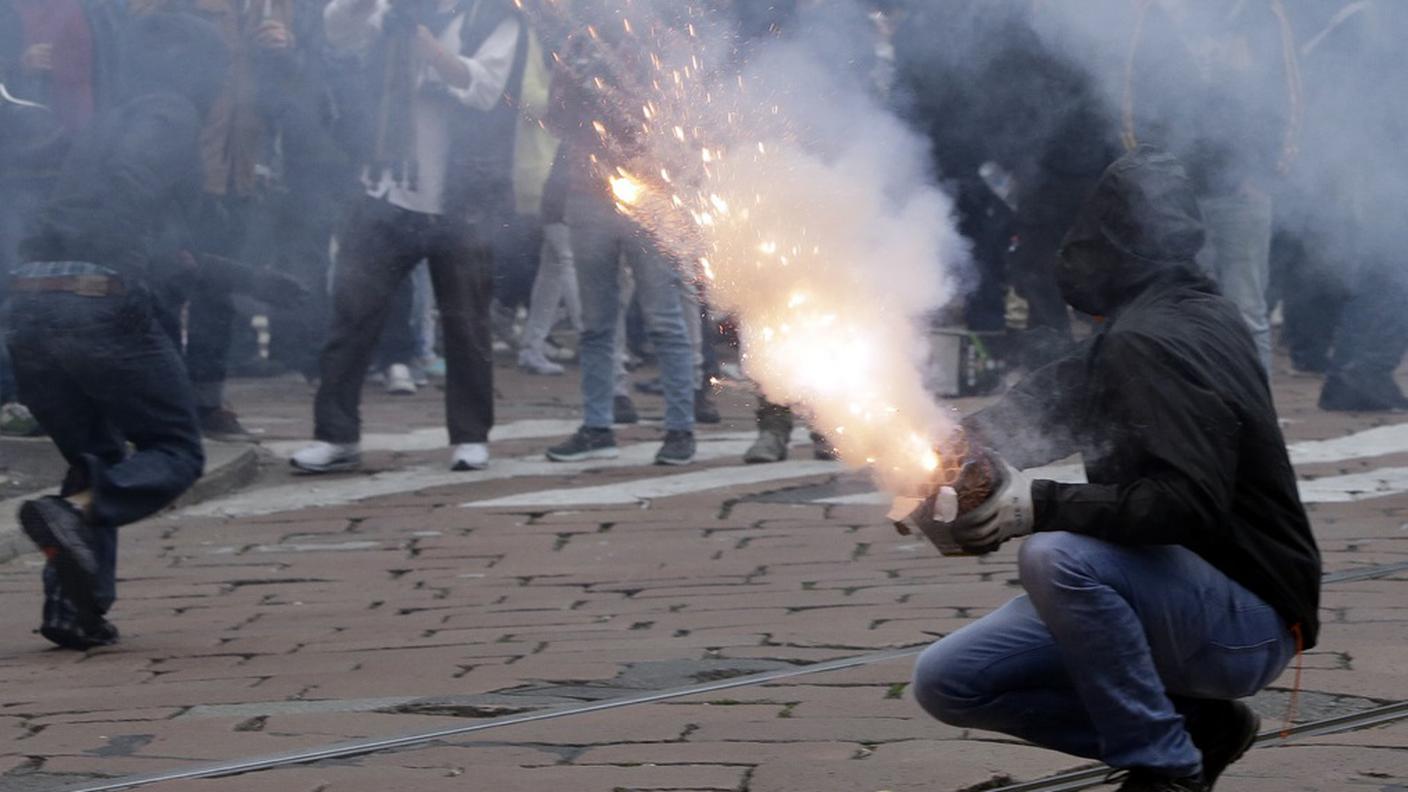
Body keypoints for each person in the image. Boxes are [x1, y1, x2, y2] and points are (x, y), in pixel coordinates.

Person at [910, 149, 1321, 792]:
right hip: (1170, 591)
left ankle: (1163, 765)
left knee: (1057, 557)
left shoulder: (1153, 338)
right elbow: (1050, 402)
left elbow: (1187, 502)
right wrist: (950, 452)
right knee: (950, 680)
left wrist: (1036, 505)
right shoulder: (1161, 315)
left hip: (1246, 613)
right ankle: (1197, 729)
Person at [5, 12, 227, 650]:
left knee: (94, 455)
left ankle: (74, 610)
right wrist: (128, 268)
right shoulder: (168, 114)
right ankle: (73, 513)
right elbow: (130, 199)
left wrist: (256, 280)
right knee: (177, 450)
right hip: (98, 299)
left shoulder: (109, 117)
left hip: (30, 304)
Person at [291, 0, 527, 474]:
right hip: (387, 189)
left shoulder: (496, 17)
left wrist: (425, 46)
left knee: (466, 325)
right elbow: (338, 30)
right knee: (351, 318)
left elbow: (484, 89)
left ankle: (469, 435)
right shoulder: (397, 6)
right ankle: (336, 435)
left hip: (463, 197)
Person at [541, 18, 696, 467]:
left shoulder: (655, 44)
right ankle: (597, 425)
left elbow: (673, 115)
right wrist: (574, 84)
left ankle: (680, 429)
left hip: (650, 196)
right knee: (594, 323)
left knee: (664, 320)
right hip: (587, 195)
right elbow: (554, 120)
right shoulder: (575, 44)